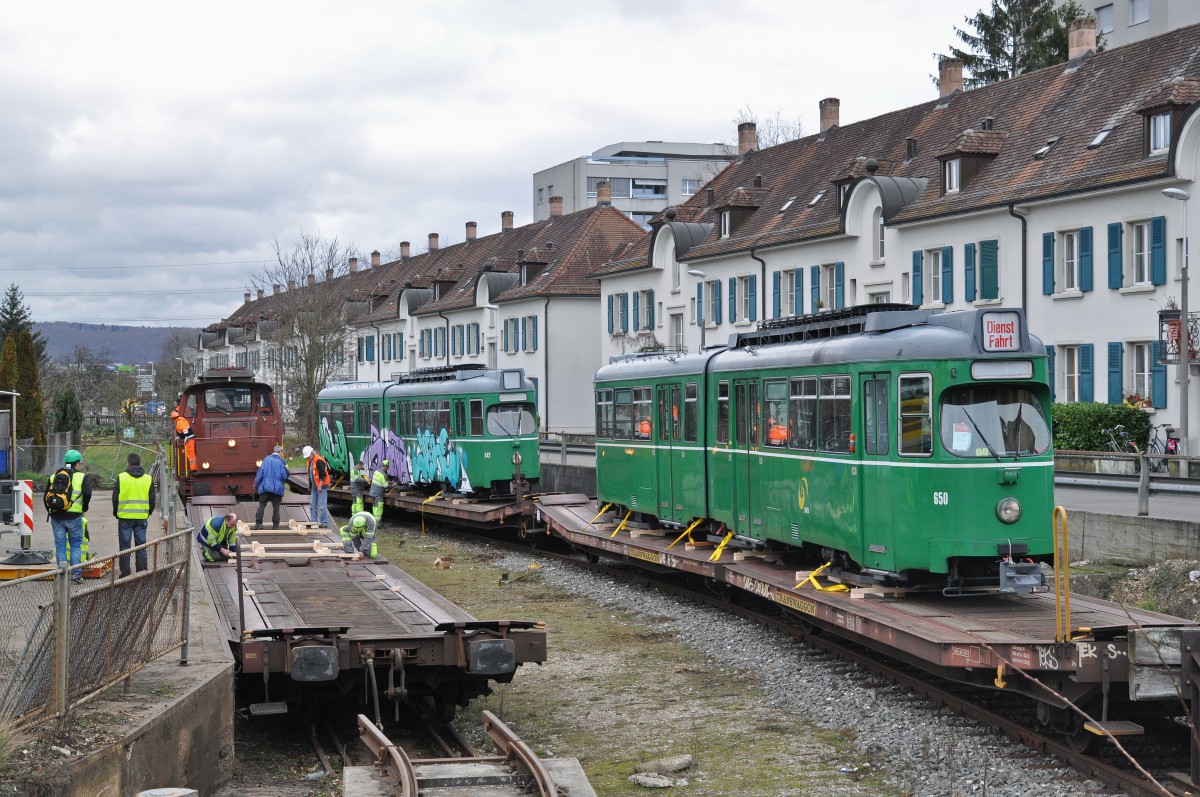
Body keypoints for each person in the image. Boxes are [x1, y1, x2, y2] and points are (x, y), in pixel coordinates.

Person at [48, 449, 91, 583]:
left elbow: (46, 496)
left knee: (60, 545)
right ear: (77, 463)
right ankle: (77, 575)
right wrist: (84, 507)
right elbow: (88, 493)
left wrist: (51, 511)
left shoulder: (54, 476)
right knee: (75, 545)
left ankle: (62, 576)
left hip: (57, 516)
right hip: (74, 517)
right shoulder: (82, 477)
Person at [112, 452, 156, 578]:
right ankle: (142, 573)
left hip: (125, 518)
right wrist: (148, 512)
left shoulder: (121, 477)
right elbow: (152, 499)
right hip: (141, 517)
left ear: (128, 463)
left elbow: (115, 498)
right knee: (141, 546)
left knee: (125, 548)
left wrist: (117, 512)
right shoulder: (148, 478)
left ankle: (125, 574)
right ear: (140, 463)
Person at [254, 445, 289, 530]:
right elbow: (285, 476)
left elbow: (260, 474)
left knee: (262, 505)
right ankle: (275, 525)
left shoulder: (265, 460)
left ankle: (258, 524)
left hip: (265, 487)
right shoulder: (282, 462)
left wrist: (256, 484)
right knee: (276, 507)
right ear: (280, 452)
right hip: (277, 488)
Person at [303, 445, 331, 528]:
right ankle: (313, 521)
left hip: (321, 486)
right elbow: (311, 474)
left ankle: (324, 522)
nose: (308, 458)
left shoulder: (319, 461)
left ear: (312, 453)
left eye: (308, 456)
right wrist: (310, 485)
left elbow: (323, 474)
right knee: (312, 504)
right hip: (314, 486)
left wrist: (320, 486)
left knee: (322, 505)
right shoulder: (310, 461)